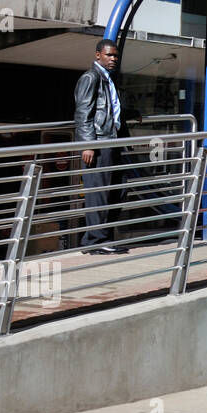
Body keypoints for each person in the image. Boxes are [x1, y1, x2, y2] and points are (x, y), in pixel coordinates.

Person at [74, 39, 128, 253]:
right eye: (109, 55)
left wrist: (131, 115)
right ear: (98, 55)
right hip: (99, 142)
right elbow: (83, 112)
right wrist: (88, 145)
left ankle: (96, 238)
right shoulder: (91, 77)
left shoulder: (107, 79)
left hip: (112, 140)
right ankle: (97, 242)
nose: (113, 59)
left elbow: (109, 109)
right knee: (99, 192)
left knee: (118, 189)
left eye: (115, 55)